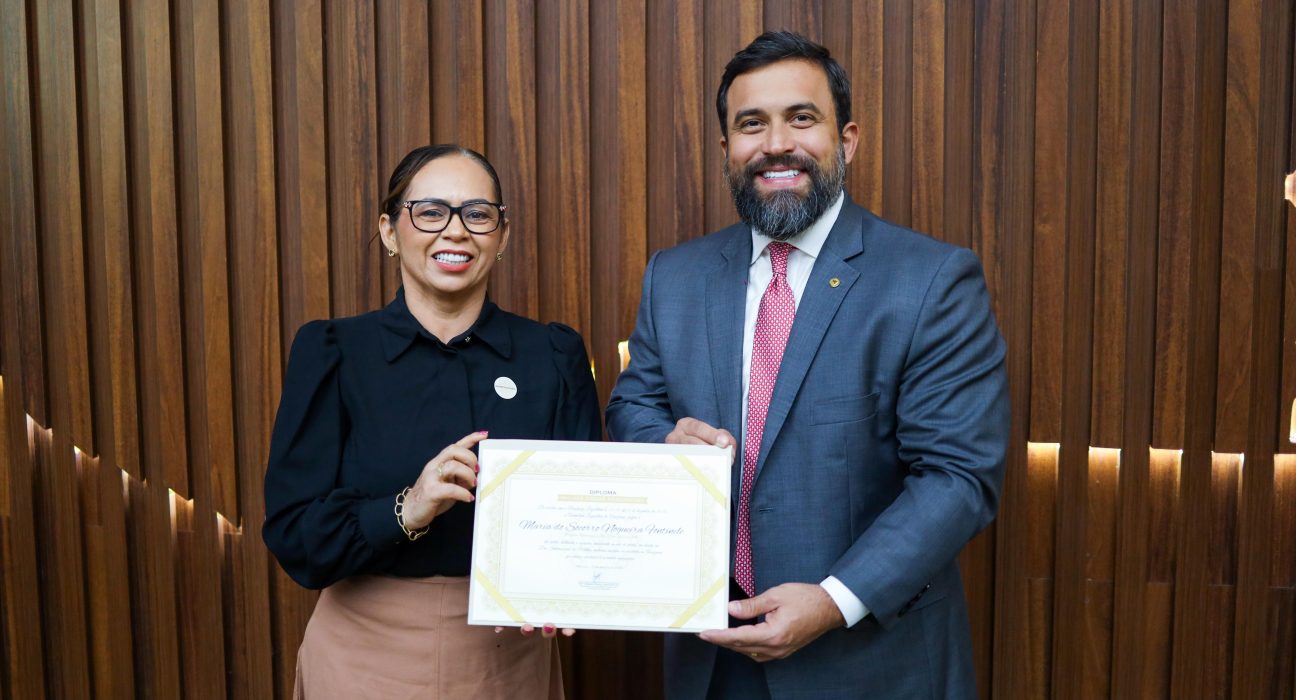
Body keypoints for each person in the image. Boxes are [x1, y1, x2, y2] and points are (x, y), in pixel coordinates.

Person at [606, 32, 1010, 699]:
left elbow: (958, 476)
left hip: (868, 663)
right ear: (726, 150)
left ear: (846, 140)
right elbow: (632, 407)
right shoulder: (674, 277)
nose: (775, 144)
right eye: (750, 125)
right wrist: (662, 441)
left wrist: (834, 599)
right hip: (711, 663)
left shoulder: (932, 280)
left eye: (802, 118)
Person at [263, 144, 600, 698]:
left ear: (502, 235)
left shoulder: (552, 355)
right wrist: (407, 508)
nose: (455, 231)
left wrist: (565, 586)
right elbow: (295, 534)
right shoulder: (335, 351)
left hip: (506, 659)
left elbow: (582, 514)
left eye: (477, 213)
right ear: (391, 232)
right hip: (361, 653)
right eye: (430, 211)